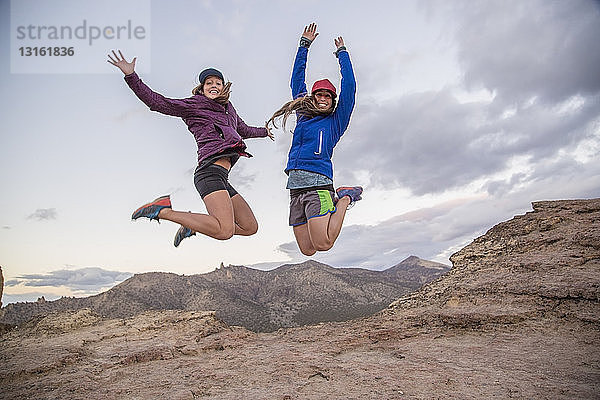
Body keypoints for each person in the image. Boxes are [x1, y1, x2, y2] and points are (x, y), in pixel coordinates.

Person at [108, 50, 273, 247]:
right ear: (202, 88)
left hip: (222, 177)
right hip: (208, 172)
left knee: (249, 227)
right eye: (209, 83)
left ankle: (193, 225)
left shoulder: (229, 109)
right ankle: (162, 210)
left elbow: (243, 130)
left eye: (217, 83)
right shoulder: (194, 105)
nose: (214, 85)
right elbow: (157, 102)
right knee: (224, 231)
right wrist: (131, 76)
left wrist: (264, 132)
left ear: (223, 87)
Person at [267, 23, 363, 256]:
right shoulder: (303, 115)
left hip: (319, 186)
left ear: (333, 101)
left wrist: (342, 54)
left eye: (328, 96)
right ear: (312, 97)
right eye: (319, 94)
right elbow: (296, 80)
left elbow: (349, 88)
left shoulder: (335, 123)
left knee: (324, 244)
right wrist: (304, 45)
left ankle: (345, 198)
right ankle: (340, 199)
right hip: (295, 189)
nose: (323, 98)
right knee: (308, 250)